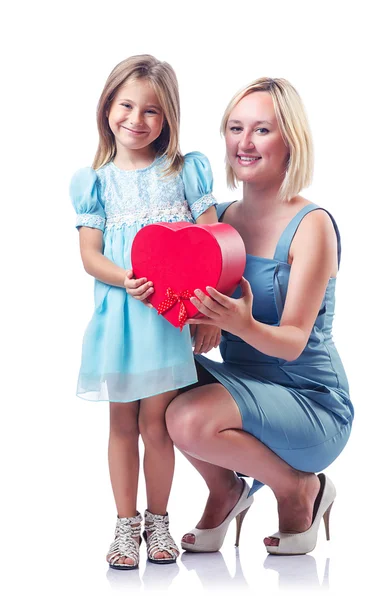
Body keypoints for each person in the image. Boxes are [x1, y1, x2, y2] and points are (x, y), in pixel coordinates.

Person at [164, 77, 355, 556]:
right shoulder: (218, 220)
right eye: (235, 128)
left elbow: (292, 341)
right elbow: (188, 309)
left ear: (290, 140)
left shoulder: (312, 226)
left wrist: (239, 324)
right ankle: (228, 489)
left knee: (188, 419)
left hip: (311, 403)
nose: (244, 143)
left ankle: (299, 488)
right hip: (241, 390)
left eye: (262, 130)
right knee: (152, 377)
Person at [69, 54, 219, 569]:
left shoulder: (184, 170)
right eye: (126, 105)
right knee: (120, 424)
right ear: (107, 105)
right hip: (119, 317)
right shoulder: (96, 180)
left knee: (156, 425)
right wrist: (124, 279)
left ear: (169, 118)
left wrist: (207, 314)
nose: (136, 119)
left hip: (166, 318)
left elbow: (213, 242)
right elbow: (90, 255)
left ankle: (158, 521)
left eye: (152, 111)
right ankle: (124, 524)